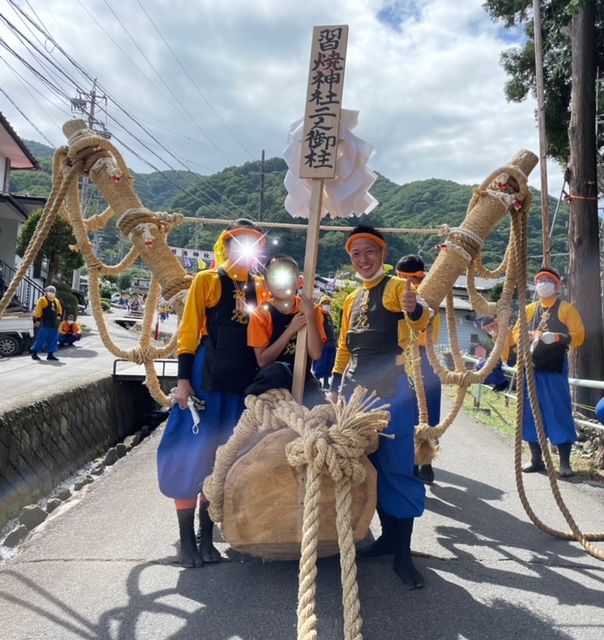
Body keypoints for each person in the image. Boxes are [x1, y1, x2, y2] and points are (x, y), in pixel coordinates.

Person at [157, 219, 268, 568]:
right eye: (240, 243)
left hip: (240, 385)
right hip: (206, 377)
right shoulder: (206, 280)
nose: (246, 250)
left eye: (253, 244)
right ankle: (186, 542)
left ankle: (208, 540)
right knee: (192, 455)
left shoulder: (260, 287)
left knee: (222, 460)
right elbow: (188, 334)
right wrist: (184, 382)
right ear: (227, 245)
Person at [329, 225, 430, 589]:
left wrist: (414, 307)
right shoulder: (352, 299)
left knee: (396, 468)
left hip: (392, 392)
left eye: (369, 251)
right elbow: (344, 348)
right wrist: (336, 386)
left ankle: (403, 554)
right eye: (356, 254)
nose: (363, 259)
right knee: (365, 467)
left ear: (383, 254)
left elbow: (420, 317)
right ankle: (386, 537)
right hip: (356, 394)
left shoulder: (394, 289)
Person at [512, 267, 585, 478]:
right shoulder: (529, 309)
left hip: (554, 367)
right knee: (529, 412)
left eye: (547, 280)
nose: (543, 283)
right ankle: (536, 458)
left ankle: (564, 462)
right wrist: (526, 336)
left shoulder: (567, 309)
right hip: (530, 365)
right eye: (540, 280)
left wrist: (558, 338)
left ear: (557, 285)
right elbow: (516, 332)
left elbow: (579, 335)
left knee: (558, 410)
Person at [246, 254, 326, 408]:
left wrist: (309, 317)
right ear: (266, 284)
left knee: (324, 412)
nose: (282, 283)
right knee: (277, 371)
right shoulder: (261, 314)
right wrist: (291, 330)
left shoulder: (311, 310)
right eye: (275, 278)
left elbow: (315, 354)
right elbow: (262, 360)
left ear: (299, 282)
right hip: (271, 380)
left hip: (303, 378)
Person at [396, 255, 441, 485]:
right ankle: (425, 463)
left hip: (418, 355)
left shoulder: (415, 296)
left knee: (414, 412)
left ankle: (419, 463)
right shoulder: (432, 294)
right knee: (429, 413)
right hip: (426, 358)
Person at [476, 316, 516, 393]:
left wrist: (504, 361)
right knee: (480, 366)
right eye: (487, 331)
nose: (488, 332)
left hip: (510, 357)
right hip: (500, 356)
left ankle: (502, 382)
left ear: (494, 325)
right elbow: (496, 349)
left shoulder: (504, 332)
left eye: (489, 329)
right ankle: (499, 381)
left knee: (483, 366)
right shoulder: (496, 334)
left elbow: (504, 348)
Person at [311, 295, 337, 390]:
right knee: (320, 365)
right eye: (325, 303)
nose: (327, 305)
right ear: (321, 304)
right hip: (323, 344)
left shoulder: (329, 315)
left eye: (328, 303)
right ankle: (316, 384)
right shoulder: (319, 314)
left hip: (331, 344)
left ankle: (326, 383)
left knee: (329, 364)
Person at [31, 285, 63, 361]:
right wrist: (38, 320)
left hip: (54, 323)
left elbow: (59, 309)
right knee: (41, 339)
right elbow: (38, 310)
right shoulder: (42, 300)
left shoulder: (56, 300)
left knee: (53, 339)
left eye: (53, 291)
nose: (51, 292)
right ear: (46, 291)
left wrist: (59, 315)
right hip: (44, 322)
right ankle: (34, 353)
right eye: (50, 291)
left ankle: (50, 354)